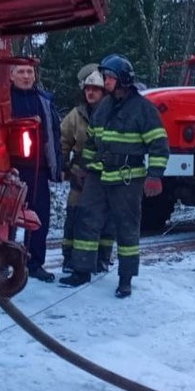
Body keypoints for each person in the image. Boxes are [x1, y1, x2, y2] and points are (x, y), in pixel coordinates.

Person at [59, 54, 169, 298]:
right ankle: (81, 271)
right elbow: (91, 142)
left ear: (122, 80)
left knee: (127, 228)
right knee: (87, 220)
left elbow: (159, 146)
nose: (104, 81)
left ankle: (126, 279)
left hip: (127, 179)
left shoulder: (144, 110)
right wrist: (84, 168)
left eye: (108, 77)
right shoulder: (104, 107)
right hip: (99, 177)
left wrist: (155, 176)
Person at [7, 57, 63, 282]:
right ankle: (5, 263)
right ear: (11, 75)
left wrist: (57, 166)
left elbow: (55, 135)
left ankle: (35, 262)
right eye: (21, 72)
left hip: (38, 170)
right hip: (12, 172)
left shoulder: (45, 101)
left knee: (39, 219)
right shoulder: (5, 100)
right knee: (7, 219)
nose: (26, 76)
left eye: (29, 72)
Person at [60, 67, 113, 273]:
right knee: (74, 215)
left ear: (104, 92)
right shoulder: (75, 116)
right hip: (80, 175)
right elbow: (63, 142)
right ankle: (69, 259)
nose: (90, 93)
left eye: (96, 90)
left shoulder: (112, 113)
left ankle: (102, 259)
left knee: (105, 219)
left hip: (105, 174)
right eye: (88, 89)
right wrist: (66, 167)